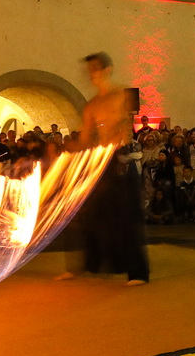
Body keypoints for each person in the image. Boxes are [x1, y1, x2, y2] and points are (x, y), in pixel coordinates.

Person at [63, 52, 149, 285]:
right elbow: (84, 137)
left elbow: (128, 127)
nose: (91, 74)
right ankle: (90, 263)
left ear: (107, 70)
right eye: (89, 69)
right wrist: (72, 158)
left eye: (95, 68)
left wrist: (121, 141)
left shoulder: (122, 95)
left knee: (127, 215)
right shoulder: (92, 105)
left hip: (121, 160)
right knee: (92, 213)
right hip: (101, 162)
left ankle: (138, 271)